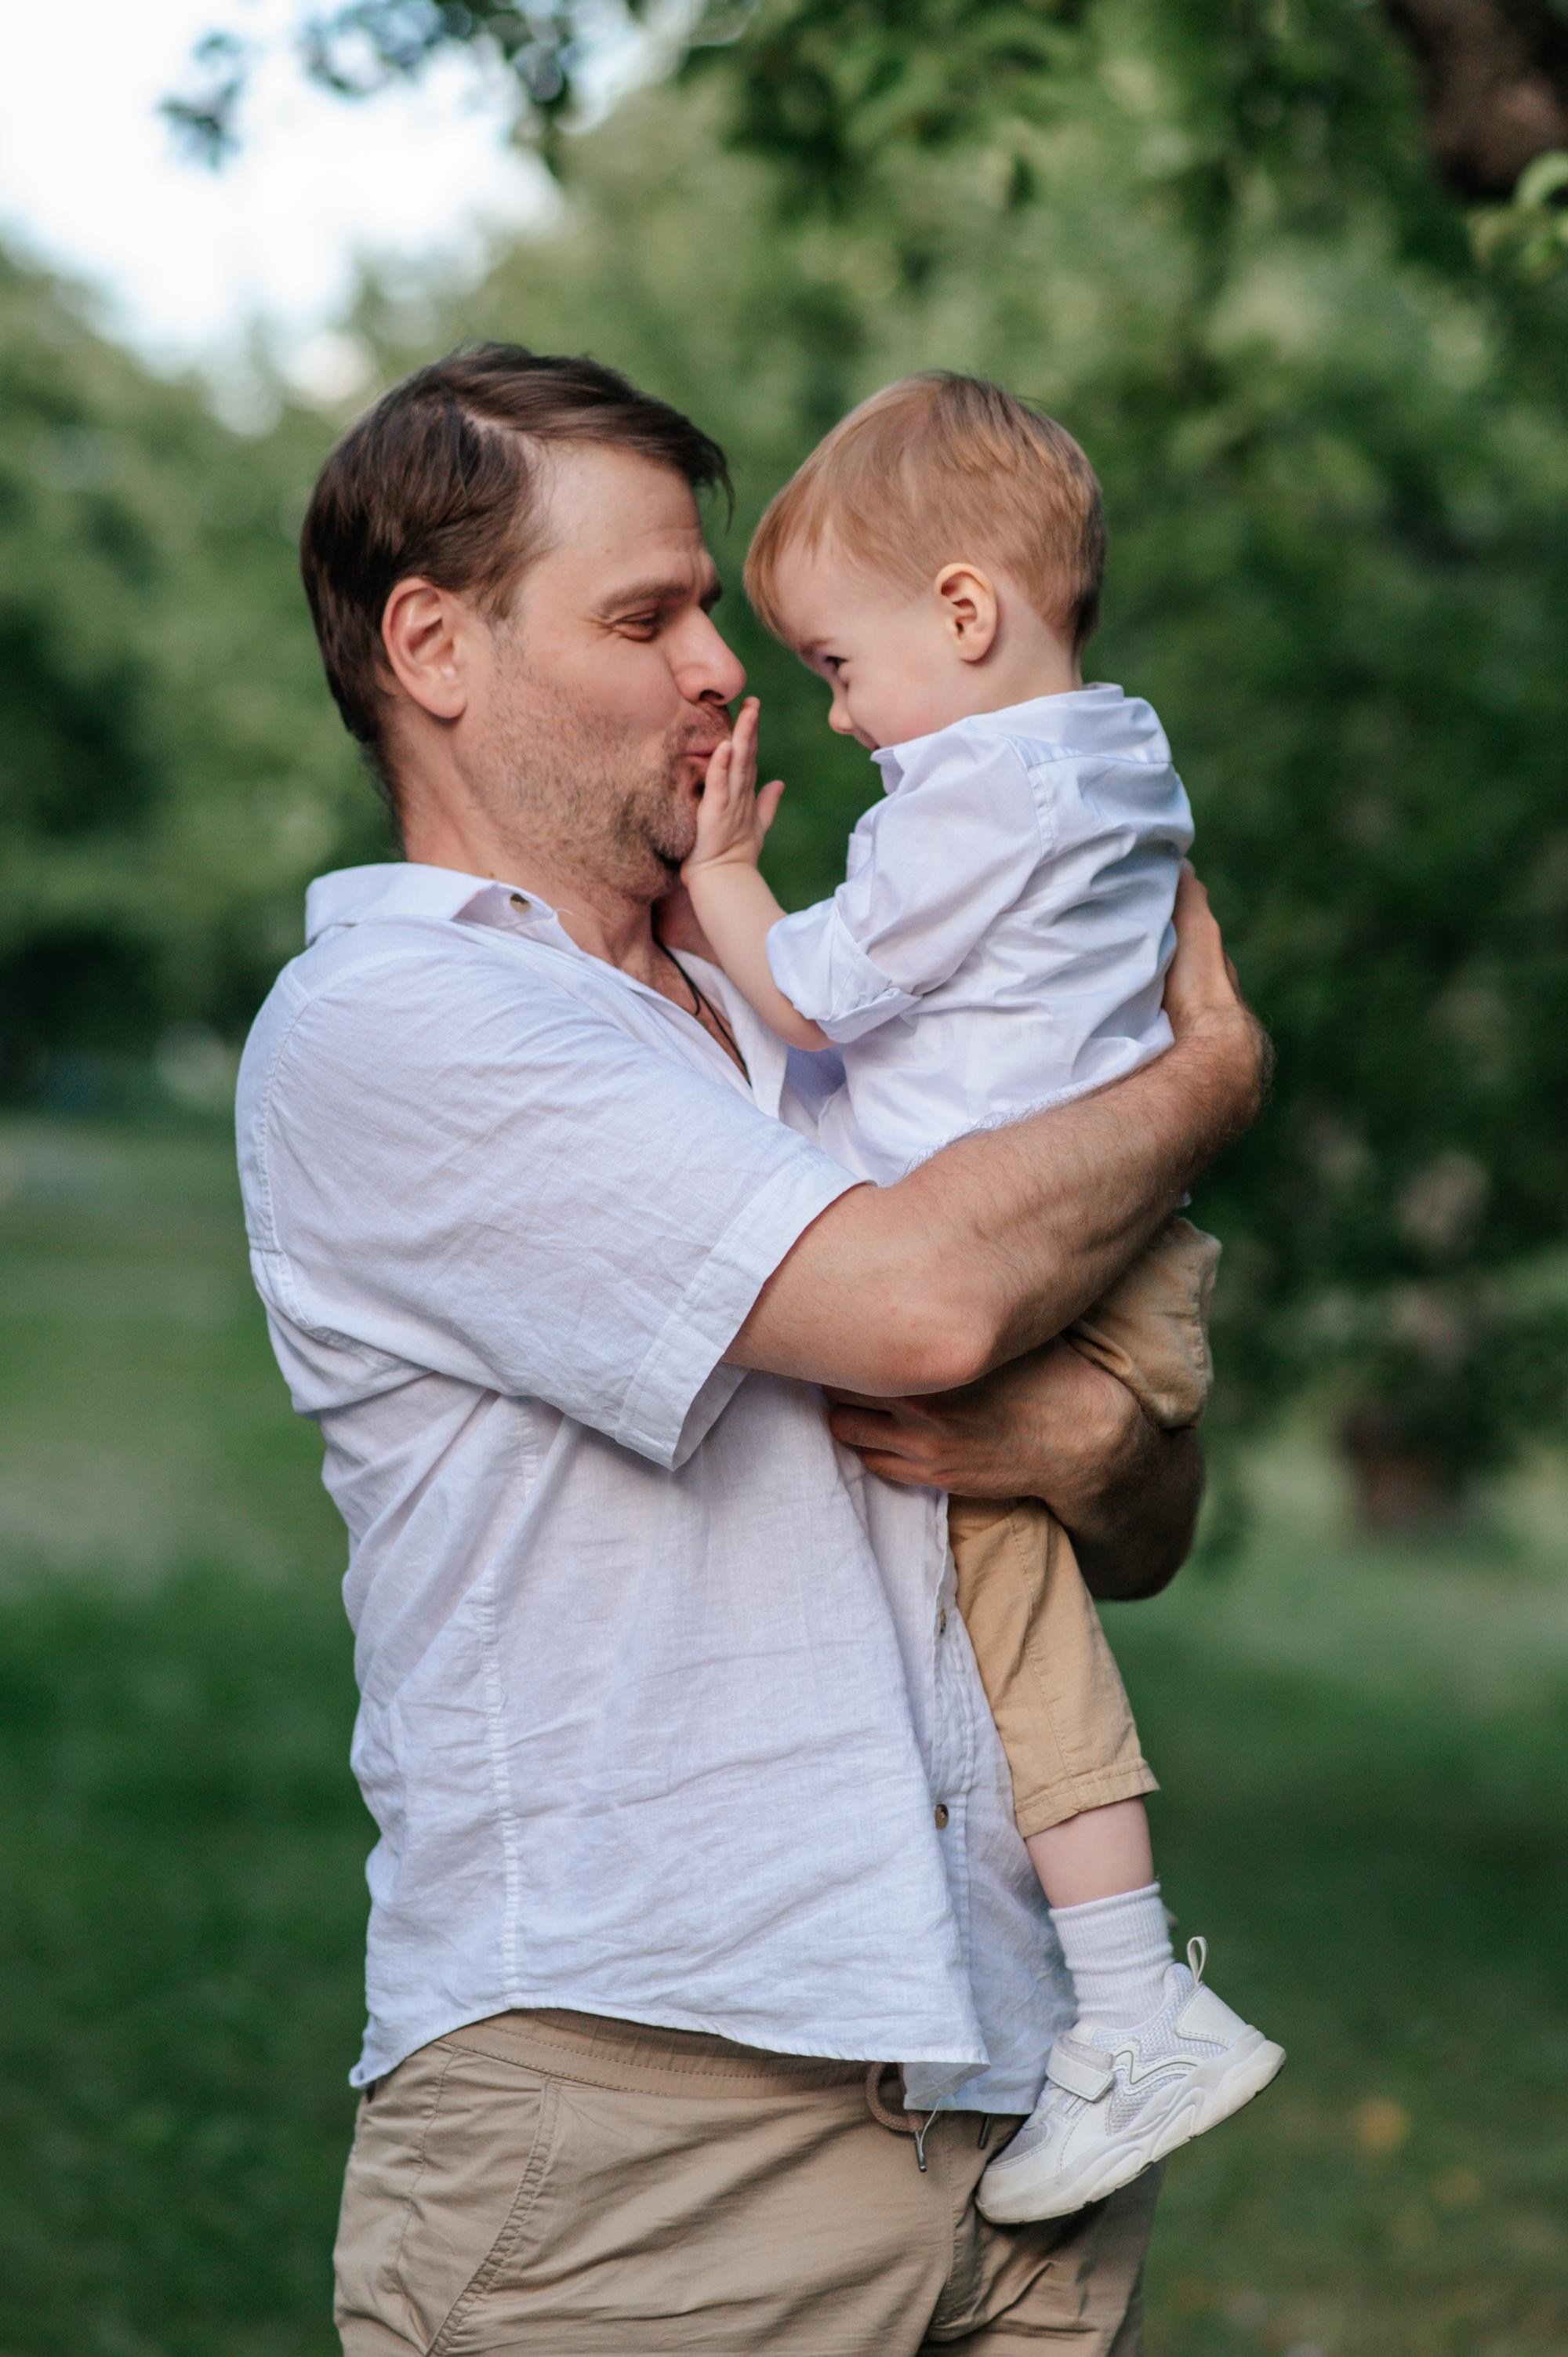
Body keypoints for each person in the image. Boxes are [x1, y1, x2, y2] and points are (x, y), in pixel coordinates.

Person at [236, 343, 1269, 2355]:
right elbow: (923, 1309)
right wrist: (1211, 1075)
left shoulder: (807, 1026)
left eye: (715, 605)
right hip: (655, 2143)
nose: (728, 668)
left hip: (1013, 2115)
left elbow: (1135, 1507)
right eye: (648, 615)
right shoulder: (404, 1022)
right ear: (433, 648)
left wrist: (1080, 1432)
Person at [682, 370, 1285, 2225]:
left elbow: (818, 992)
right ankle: (1114, 2001)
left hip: (1022, 1268)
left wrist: (719, 881)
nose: (835, 710)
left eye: (839, 664)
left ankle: (1131, 2006)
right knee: (1017, 1613)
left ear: (963, 611)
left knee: (1016, 1631)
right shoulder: (1118, 757)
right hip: (1121, 1247)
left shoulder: (973, 794)